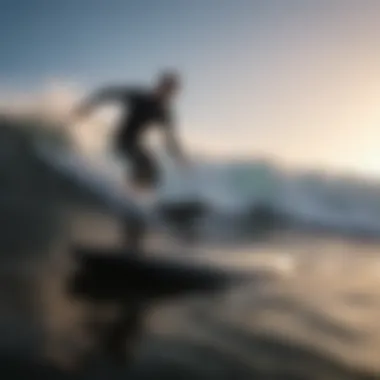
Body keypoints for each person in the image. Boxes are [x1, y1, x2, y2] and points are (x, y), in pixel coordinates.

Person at [73, 70, 186, 192]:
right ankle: (125, 191)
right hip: (121, 139)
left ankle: (133, 193)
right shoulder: (139, 97)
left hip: (135, 143)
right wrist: (87, 107)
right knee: (144, 165)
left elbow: (169, 138)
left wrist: (178, 156)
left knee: (155, 173)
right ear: (160, 85)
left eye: (171, 92)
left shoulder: (163, 112)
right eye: (167, 88)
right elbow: (109, 93)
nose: (168, 94)